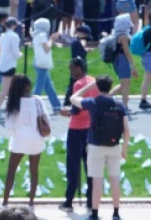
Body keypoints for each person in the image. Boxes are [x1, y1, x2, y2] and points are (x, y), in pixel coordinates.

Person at [71, 75, 130, 220]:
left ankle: (95, 213)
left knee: (97, 181)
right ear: (110, 87)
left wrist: (90, 86)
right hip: (114, 145)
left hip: (95, 146)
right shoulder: (119, 105)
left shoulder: (93, 102)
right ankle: (116, 213)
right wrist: (125, 148)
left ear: (98, 87)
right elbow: (127, 129)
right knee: (114, 179)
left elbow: (73, 98)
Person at [0, 75, 47, 213]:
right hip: (36, 139)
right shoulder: (37, 100)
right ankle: (31, 204)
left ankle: (5, 203)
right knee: (34, 171)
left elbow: (9, 127)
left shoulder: (13, 103)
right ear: (28, 87)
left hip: (19, 140)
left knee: (11, 171)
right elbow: (46, 118)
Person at [59, 57, 98, 213]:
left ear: (80, 68)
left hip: (76, 128)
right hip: (91, 128)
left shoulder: (79, 84)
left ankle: (69, 201)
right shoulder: (93, 81)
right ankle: (90, 200)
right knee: (90, 166)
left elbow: (76, 109)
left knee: (73, 166)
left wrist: (66, 111)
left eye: (73, 69)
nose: (72, 72)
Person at [31, 18, 61, 112]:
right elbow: (47, 48)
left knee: (48, 86)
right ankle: (32, 105)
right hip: (42, 63)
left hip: (38, 61)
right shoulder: (43, 35)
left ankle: (56, 106)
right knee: (39, 86)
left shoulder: (35, 35)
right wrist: (52, 40)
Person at [111, 14, 138, 108]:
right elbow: (127, 52)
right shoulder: (124, 37)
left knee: (124, 83)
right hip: (122, 60)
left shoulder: (116, 34)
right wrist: (133, 67)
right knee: (126, 84)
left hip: (117, 60)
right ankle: (125, 107)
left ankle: (107, 98)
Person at [0, 17, 22, 112]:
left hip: (2, 64)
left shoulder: (2, 35)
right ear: (13, 25)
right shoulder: (14, 36)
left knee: (10, 88)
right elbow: (15, 52)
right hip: (9, 65)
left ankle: (10, 107)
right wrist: (20, 54)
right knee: (5, 90)